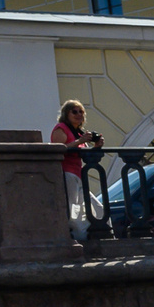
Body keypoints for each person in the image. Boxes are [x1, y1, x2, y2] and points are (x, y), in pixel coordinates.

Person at [49, 99, 105, 238]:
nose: (79, 114)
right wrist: (80, 141)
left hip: (78, 175)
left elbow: (84, 153)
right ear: (66, 114)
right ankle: (78, 239)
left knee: (97, 208)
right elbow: (57, 149)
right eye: (74, 111)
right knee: (73, 209)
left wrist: (96, 146)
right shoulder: (61, 128)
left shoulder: (78, 133)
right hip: (67, 173)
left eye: (81, 112)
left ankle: (102, 233)